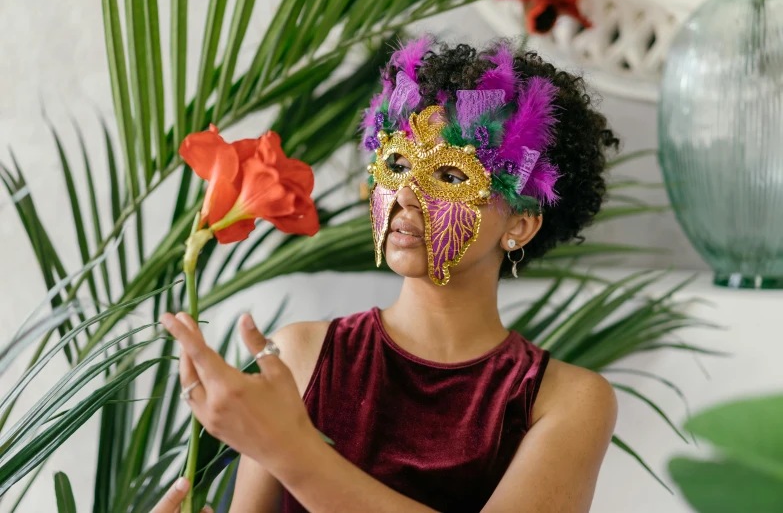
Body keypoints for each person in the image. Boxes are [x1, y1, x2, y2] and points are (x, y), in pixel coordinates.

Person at [158, 37, 619, 513]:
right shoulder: (298, 356)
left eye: (450, 175)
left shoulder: (566, 400)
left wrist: (291, 451)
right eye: (396, 164)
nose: (406, 196)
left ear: (519, 226)